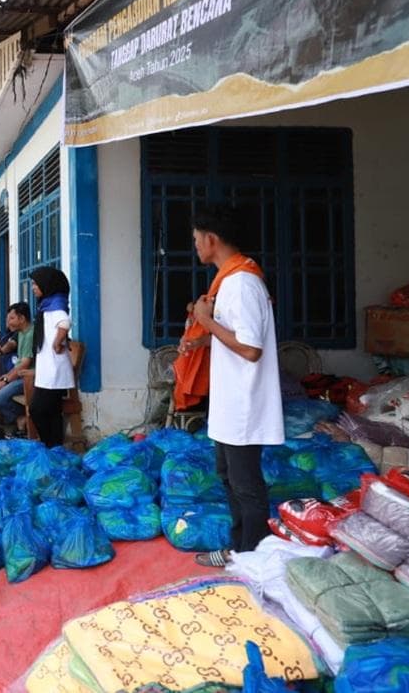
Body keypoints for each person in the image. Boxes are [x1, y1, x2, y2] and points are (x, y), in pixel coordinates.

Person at [180, 205, 281, 568]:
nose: (195, 246)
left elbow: (251, 349)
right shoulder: (228, 280)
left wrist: (206, 322)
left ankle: (254, 557)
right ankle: (240, 549)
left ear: (211, 239)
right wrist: (201, 341)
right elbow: (235, 336)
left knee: (246, 485)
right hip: (229, 404)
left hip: (245, 403)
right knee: (229, 477)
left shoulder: (242, 283)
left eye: (195, 239)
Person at [28, 268, 74, 448]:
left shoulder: (55, 305)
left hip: (54, 368)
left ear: (46, 284)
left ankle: (50, 444)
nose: (33, 288)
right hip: (47, 367)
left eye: (35, 284)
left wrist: (57, 341)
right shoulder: (48, 304)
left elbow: (65, 322)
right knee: (53, 411)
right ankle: (55, 448)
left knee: (37, 409)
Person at [0, 302, 35, 427]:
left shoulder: (30, 334)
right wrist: (4, 377)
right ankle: (19, 418)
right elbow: (13, 351)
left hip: (30, 377)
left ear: (22, 318)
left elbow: (25, 364)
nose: (8, 323)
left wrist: (6, 380)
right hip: (19, 375)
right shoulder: (21, 333)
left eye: (12, 318)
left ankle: (23, 418)